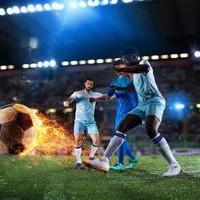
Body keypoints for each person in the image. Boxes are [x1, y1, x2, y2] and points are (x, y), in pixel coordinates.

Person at [83, 48, 182, 177]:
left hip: (155, 101)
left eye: (131, 57)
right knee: (122, 127)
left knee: (151, 130)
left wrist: (122, 70)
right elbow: (130, 87)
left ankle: (174, 165)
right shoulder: (133, 75)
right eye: (126, 58)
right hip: (142, 104)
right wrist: (118, 87)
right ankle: (104, 161)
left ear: (137, 56)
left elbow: (142, 69)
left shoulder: (144, 64)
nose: (128, 59)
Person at [90, 64, 138, 171]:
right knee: (120, 137)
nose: (121, 70)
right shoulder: (114, 83)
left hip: (132, 111)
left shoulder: (134, 80)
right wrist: (95, 98)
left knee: (120, 136)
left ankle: (120, 163)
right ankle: (132, 159)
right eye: (118, 69)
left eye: (123, 68)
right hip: (120, 113)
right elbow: (108, 97)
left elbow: (133, 90)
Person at [63, 78, 103, 170]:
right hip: (79, 121)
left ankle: (91, 158)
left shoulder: (95, 94)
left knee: (96, 140)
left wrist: (116, 94)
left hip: (90, 122)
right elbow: (70, 99)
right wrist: (67, 102)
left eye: (91, 84)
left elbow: (105, 97)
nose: (89, 85)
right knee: (77, 141)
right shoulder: (78, 93)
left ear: (92, 85)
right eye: (88, 83)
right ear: (85, 84)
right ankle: (78, 163)